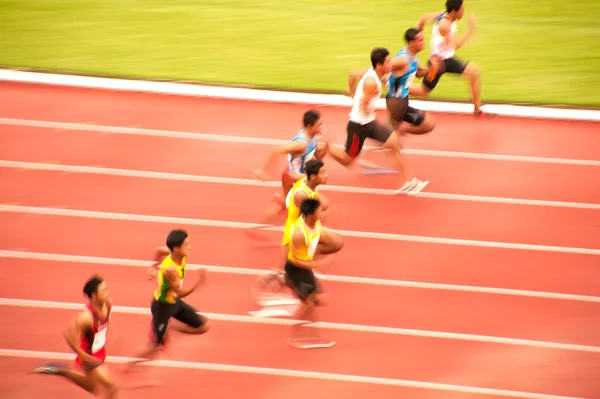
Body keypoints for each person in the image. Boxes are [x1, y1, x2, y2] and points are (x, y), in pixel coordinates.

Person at [326, 47, 428, 195]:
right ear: (379, 65)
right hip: (358, 126)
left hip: (369, 123)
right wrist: (367, 108)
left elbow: (352, 74)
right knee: (348, 160)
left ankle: (408, 182)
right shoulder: (371, 83)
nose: (391, 63)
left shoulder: (373, 73)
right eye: (388, 62)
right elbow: (363, 105)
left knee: (393, 145)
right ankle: (324, 147)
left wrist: (352, 92)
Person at [124, 229, 209, 376]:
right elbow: (181, 292)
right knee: (154, 347)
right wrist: (199, 282)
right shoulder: (171, 269)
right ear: (176, 248)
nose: (190, 247)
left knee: (204, 327)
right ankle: (129, 364)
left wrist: (152, 266)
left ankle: (173, 327)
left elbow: (159, 250)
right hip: (162, 307)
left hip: (174, 303)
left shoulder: (177, 254)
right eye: (186, 245)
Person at [31, 275, 119, 398]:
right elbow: (68, 333)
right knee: (113, 386)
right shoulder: (86, 317)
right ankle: (60, 370)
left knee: (91, 386)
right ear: (94, 296)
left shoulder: (108, 304)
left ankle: (60, 370)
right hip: (90, 356)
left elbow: (104, 321)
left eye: (107, 289)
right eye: (103, 291)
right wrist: (83, 355)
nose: (107, 293)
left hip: (100, 352)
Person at [248, 110, 328, 241]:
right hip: (293, 178)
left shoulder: (312, 137)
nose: (321, 127)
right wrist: (265, 171)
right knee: (320, 205)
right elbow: (276, 149)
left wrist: (325, 147)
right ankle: (307, 235)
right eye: (319, 125)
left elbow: (317, 155)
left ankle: (255, 229)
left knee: (282, 204)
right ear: (309, 126)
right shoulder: (300, 144)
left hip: (296, 176)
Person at [416, 0, 489, 117]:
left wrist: (419, 32)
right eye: (462, 10)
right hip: (437, 64)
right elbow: (455, 44)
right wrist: (470, 29)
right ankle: (395, 85)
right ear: (454, 11)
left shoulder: (443, 14)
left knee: (475, 73)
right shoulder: (445, 25)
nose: (463, 12)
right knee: (422, 92)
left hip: (448, 60)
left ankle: (477, 110)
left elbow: (424, 18)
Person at [285, 198, 341, 348]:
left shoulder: (314, 223)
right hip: (297, 270)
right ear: (310, 214)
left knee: (317, 300)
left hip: (305, 269)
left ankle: (309, 336)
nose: (322, 214)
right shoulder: (298, 234)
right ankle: (298, 335)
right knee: (311, 302)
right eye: (319, 211)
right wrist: (317, 264)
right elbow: (295, 260)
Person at [387, 28, 437, 146]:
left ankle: (392, 131)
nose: (423, 42)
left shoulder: (413, 55)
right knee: (428, 124)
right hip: (397, 102)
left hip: (401, 101)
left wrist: (433, 70)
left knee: (393, 136)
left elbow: (419, 72)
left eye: (423, 39)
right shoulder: (404, 60)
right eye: (420, 40)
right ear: (411, 43)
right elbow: (383, 67)